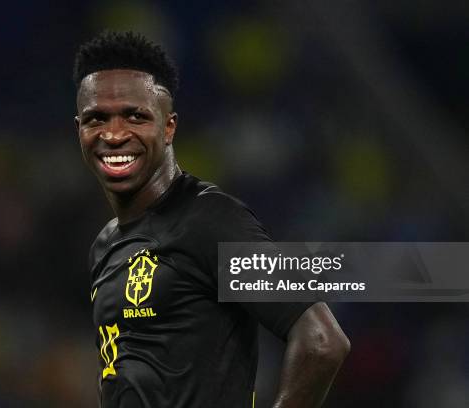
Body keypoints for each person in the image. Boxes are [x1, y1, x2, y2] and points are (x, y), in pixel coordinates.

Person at [73, 31, 350, 408]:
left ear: (168, 127)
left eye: (135, 116)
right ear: (80, 129)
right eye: (97, 118)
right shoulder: (104, 246)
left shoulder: (209, 220)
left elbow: (322, 341)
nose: (115, 133)